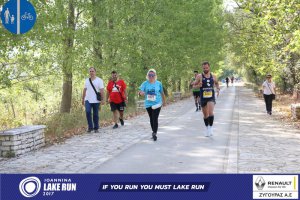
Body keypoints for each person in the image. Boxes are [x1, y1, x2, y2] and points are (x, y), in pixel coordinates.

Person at [139, 69, 166, 141]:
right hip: (148, 104)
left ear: (155, 76)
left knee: (155, 117)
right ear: (147, 76)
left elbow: (162, 93)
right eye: (149, 75)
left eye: (152, 75)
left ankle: (154, 133)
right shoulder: (145, 83)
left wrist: (164, 101)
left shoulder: (158, 83)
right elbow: (140, 91)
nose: (151, 77)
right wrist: (141, 93)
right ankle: (153, 131)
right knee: (151, 118)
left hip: (157, 103)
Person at [194, 61, 220, 137]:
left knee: (210, 112)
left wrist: (218, 89)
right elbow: (194, 86)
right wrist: (198, 85)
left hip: (211, 97)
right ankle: (207, 128)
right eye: (204, 68)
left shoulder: (213, 76)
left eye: (206, 68)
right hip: (203, 97)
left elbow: (217, 83)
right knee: (205, 115)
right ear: (202, 68)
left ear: (209, 67)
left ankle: (211, 128)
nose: (205, 69)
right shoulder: (199, 76)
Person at [82, 67, 105, 133]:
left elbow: (102, 90)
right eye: (90, 71)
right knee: (88, 112)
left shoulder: (99, 80)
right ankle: (90, 127)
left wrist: (103, 99)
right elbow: (84, 90)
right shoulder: (86, 80)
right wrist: (83, 99)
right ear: (89, 72)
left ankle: (96, 128)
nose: (91, 72)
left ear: (95, 72)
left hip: (96, 100)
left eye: (92, 71)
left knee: (95, 114)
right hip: (87, 100)